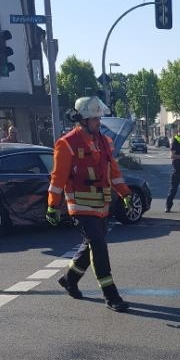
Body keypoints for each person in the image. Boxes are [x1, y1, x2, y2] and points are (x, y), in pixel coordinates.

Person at [46, 96, 133, 312]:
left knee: (90, 245)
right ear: (82, 119)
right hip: (80, 205)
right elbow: (58, 177)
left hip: (101, 205)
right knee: (99, 246)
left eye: (99, 118)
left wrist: (125, 193)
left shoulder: (103, 141)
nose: (99, 122)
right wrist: (52, 204)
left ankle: (69, 279)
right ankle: (111, 295)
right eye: (95, 119)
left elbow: (113, 172)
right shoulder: (67, 143)